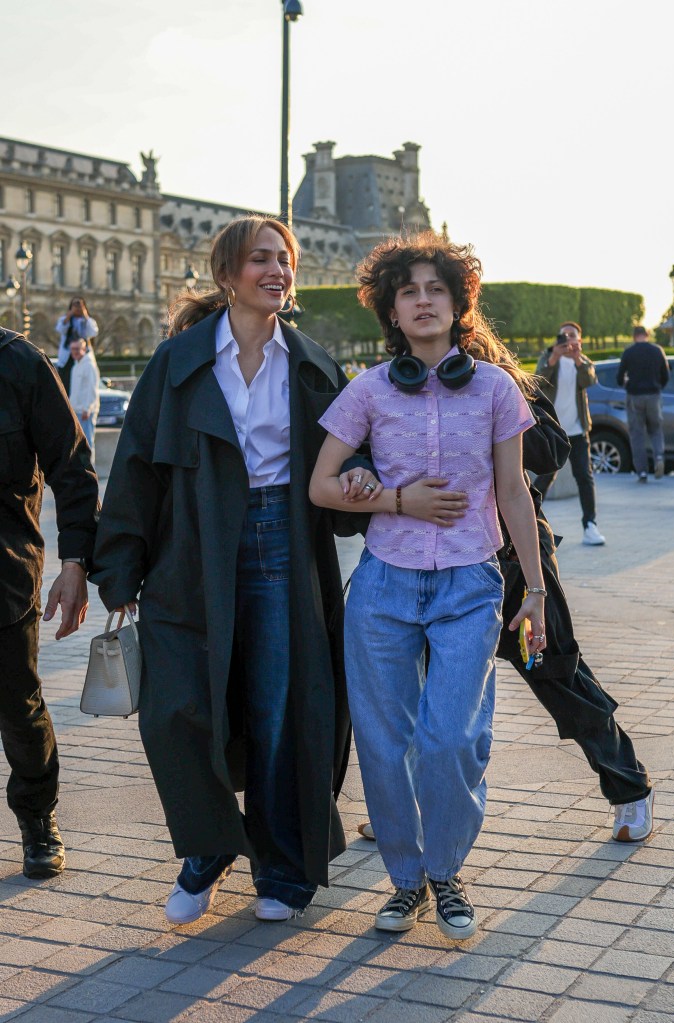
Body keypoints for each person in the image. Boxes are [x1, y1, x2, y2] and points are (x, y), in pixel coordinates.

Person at [90, 215, 373, 927]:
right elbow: (135, 474)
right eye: (261, 259)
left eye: (285, 259)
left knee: (278, 708)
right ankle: (209, 846)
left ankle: (279, 862)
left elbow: (349, 460)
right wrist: (118, 569)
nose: (277, 270)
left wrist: (367, 482)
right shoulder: (178, 363)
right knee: (180, 708)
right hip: (190, 547)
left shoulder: (311, 365)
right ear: (225, 276)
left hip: (282, 537)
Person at [309, 232, 547, 941]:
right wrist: (393, 499)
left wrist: (533, 589)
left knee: (451, 739)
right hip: (384, 584)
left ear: (457, 302)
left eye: (433, 289)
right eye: (406, 290)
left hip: (470, 584)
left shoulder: (498, 389)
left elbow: (512, 490)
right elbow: (324, 485)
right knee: (384, 746)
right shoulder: (369, 390)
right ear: (391, 308)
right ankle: (409, 880)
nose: (420, 299)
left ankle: (445, 865)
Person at [357, 383, 654, 848]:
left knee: (557, 675)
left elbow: (552, 451)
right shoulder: (400, 381)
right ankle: (409, 803)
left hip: (513, 560)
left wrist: (493, 395)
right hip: (433, 565)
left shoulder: (500, 381)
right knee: (424, 695)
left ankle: (629, 787)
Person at [0, 326, 98, 879]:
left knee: (19, 708)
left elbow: (74, 468)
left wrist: (76, 562)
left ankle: (38, 818)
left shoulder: (20, 363)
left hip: (4, 574)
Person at [534, 323, 605, 546]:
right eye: (564, 336)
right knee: (545, 477)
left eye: (572, 336)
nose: (568, 340)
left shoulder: (583, 362)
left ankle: (590, 525)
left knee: (584, 477)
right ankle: (529, 518)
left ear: (579, 340)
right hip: (554, 432)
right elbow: (537, 382)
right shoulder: (548, 357)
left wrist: (576, 359)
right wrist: (554, 357)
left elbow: (589, 381)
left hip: (577, 431)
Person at [617, 326, 670, 482]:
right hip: (654, 395)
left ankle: (642, 472)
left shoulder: (628, 352)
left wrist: (626, 383)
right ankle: (659, 456)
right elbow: (666, 375)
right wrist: (658, 386)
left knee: (637, 434)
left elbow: (619, 378)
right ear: (647, 335)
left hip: (634, 396)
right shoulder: (657, 350)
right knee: (656, 430)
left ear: (634, 336)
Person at [54, 297, 98, 393]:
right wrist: (68, 316)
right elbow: (60, 329)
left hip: (84, 355)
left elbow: (93, 332)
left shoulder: (88, 321)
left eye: (80, 305)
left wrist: (86, 316)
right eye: (75, 305)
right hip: (68, 358)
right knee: (66, 385)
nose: (77, 308)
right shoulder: (65, 319)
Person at [68, 338, 100, 461]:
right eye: (72, 349)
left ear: (84, 349)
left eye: (77, 349)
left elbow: (92, 389)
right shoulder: (76, 366)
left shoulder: (89, 365)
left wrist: (88, 409)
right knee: (78, 446)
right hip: (76, 412)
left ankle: (90, 475)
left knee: (88, 444)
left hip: (85, 413)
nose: (74, 352)